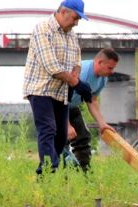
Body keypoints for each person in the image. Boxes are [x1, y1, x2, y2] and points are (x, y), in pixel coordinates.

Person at [22, 0, 93, 176]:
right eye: (75, 18)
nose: (76, 23)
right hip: (40, 90)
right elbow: (52, 67)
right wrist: (76, 83)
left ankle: (49, 171)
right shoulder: (43, 30)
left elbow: (76, 62)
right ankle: (47, 172)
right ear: (63, 12)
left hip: (61, 93)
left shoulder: (72, 35)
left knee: (61, 136)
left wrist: (74, 79)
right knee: (48, 129)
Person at [64, 48, 119, 171]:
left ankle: (85, 173)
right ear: (99, 62)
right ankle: (58, 176)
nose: (112, 72)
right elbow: (61, 98)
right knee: (62, 139)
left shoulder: (103, 79)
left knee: (83, 137)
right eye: (110, 68)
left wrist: (102, 124)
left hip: (72, 106)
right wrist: (67, 126)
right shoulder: (81, 71)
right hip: (56, 106)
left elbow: (92, 101)